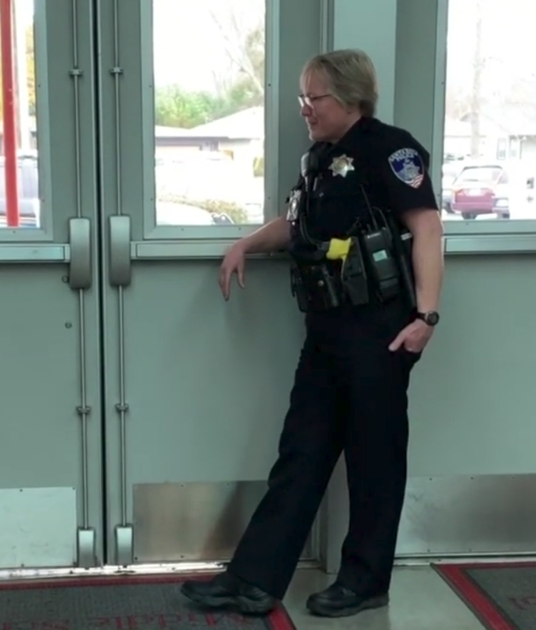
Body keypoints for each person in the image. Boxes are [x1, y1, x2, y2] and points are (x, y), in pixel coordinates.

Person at [180, 49, 445, 619]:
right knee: (300, 453)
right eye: (303, 96)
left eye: (313, 97)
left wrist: (426, 318)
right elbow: (296, 222)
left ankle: (366, 580)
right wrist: (246, 243)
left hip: (381, 330)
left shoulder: (390, 150)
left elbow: (427, 229)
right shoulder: (319, 159)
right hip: (326, 330)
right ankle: (254, 579)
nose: (304, 108)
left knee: (374, 460)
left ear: (349, 97)